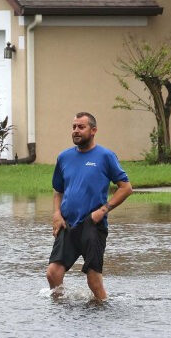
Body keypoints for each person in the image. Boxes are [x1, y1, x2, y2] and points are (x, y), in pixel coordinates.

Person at [46, 112, 133, 301]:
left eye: (81, 127)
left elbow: (126, 188)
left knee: (93, 279)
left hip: (93, 224)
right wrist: (56, 214)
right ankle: (60, 310)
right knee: (53, 273)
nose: (76, 131)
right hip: (67, 223)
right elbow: (58, 190)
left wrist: (103, 210)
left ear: (93, 131)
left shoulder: (106, 156)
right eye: (74, 127)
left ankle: (102, 308)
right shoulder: (64, 157)